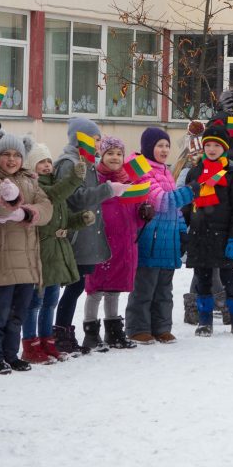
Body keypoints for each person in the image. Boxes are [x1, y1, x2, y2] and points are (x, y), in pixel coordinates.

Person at [0, 133, 53, 374]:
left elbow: (46, 208)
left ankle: (10, 354)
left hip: (28, 260)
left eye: (17, 155)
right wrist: (9, 197)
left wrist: (25, 212)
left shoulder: (31, 180)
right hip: (1, 258)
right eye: (6, 154)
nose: (11, 160)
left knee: (17, 313)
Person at [52, 119, 124, 355]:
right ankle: (61, 333)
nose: (98, 142)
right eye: (94, 138)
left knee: (78, 285)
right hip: (74, 235)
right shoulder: (69, 163)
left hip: (85, 235)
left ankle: (66, 334)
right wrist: (108, 190)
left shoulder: (85, 161)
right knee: (73, 287)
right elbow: (76, 198)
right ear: (80, 137)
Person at [22, 141, 92, 364]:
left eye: (48, 161)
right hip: (42, 251)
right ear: (32, 166)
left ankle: (46, 341)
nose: (46, 165)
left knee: (51, 300)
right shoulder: (36, 187)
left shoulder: (55, 184)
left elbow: (60, 218)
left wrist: (79, 220)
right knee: (35, 302)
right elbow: (53, 196)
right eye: (41, 162)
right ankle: (30, 344)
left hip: (57, 251)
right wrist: (73, 179)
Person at [125, 127, 195, 344]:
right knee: (144, 288)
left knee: (165, 290)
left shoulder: (165, 171)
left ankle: (161, 327)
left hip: (168, 239)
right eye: (159, 146)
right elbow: (162, 201)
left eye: (167, 145)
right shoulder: (140, 170)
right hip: (150, 239)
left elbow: (174, 210)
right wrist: (192, 191)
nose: (164, 150)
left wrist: (182, 231)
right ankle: (138, 328)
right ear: (148, 147)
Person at [84, 137, 153, 350]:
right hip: (100, 241)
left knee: (114, 287)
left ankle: (113, 331)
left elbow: (135, 212)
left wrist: (145, 213)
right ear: (102, 156)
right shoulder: (94, 178)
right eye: (110, 153)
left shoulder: (129, 180)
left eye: (119, 154)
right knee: (95, 289)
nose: (115, 158)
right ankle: (91, 333)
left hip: (123, 241)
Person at [184, 125, 233, 337]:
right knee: (202, 280)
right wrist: (182, 230)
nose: (212, 149)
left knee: (229, 279)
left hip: (224, 236)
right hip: (199, 235)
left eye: (217, 145)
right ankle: (204, 322)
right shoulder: (195, 172)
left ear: (225, 148)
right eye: (208, 145)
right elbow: (187, 203)